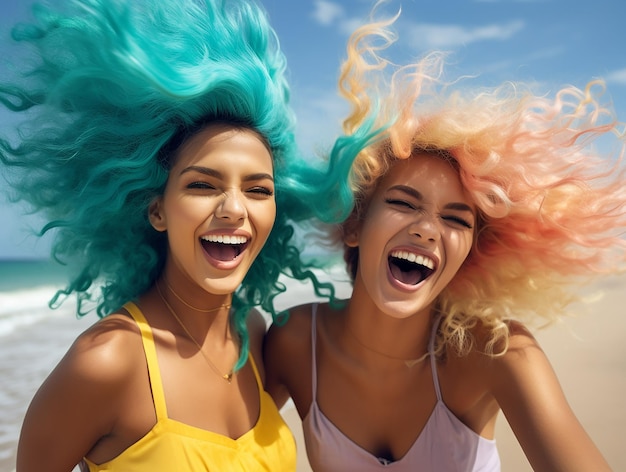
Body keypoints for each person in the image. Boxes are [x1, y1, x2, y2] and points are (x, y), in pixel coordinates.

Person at [264, 15, 625, 472]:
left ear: (470, 251)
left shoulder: (499, 353)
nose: (428, 230)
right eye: (403, 203)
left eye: (455, 218)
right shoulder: (294, 342)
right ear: (354, 225)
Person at [0, 0, 333, 470]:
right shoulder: (106, 362)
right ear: (157, 210)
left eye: (258, 190)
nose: (235, 208)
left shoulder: (255, 339)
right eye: (202, 185)